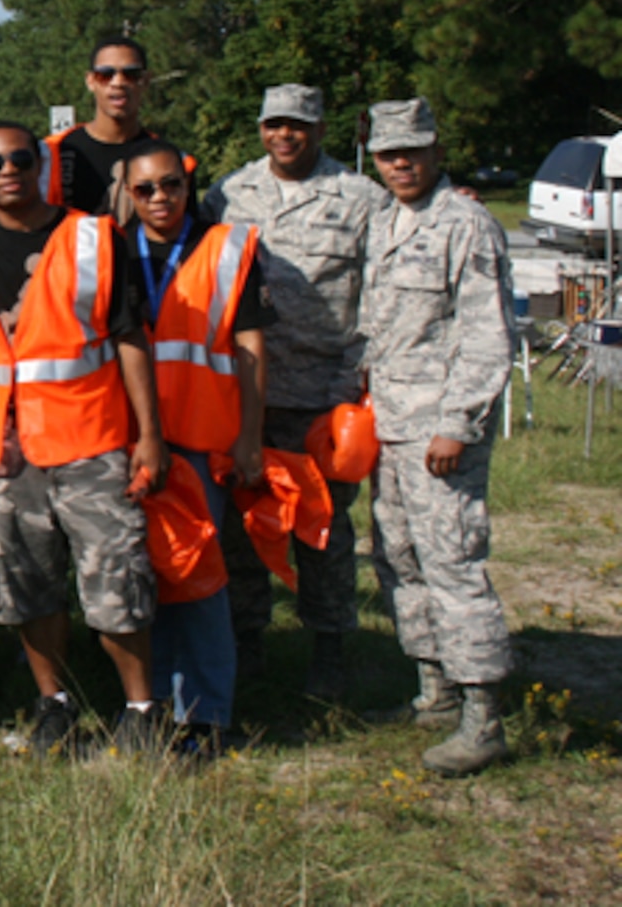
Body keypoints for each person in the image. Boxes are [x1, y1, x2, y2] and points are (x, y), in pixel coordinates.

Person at [0, 122, 170, 757]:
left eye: (19, 158)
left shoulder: (94, 238)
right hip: (3, 453)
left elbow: (129, 337)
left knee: (116, 580)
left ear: (39, 162)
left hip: (90, 441)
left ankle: (142, 711)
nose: (7, 170)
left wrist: (150, 436)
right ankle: (54, 705)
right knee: (24, 584)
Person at [203, 84, 386, 696]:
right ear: (261, 128)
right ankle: (247, 641)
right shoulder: (230, 192)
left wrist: (354, 385)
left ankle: (331, 649)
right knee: (243, 528)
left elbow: (379, 296)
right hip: (244, 394)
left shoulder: (361, 198)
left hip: (322, 397)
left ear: (320, 128)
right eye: (274, 124)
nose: (286, 135)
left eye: (299, 125)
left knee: (323, 531)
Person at [361, 98, 515, 777]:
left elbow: (487, 335)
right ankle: (435, 689)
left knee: (453, 564)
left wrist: (458, 422)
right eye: (389, 152)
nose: (401, 162)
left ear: (434, 149)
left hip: (439, 432)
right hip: (388, 426)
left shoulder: (467, 223)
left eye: (412, 149)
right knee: (399, 558)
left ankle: (484, 715)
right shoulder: (385, 219)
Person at [120, 143, 271, 744]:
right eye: (145, 190)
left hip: (201, 442)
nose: (160, 199)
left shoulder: (229, 250)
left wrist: (250, 439)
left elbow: (253, 349)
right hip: (129, 442)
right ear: (127, 195)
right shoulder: (110, 249)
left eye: (171, 186)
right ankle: (150, 704)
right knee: (140, 579)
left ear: (189, 186)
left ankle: (206, 716)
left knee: (199, 579)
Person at [40, 36, 169, 216]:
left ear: (145, 80)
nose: (118, 82)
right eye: (105, 75)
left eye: (131, 74)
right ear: (90, 81)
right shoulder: (50, 153)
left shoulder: (168, 159)